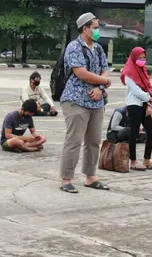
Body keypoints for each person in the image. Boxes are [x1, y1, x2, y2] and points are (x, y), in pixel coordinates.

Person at [59, 12, 111, 193]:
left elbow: (105, 70)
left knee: (94, 141)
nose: (98, 31)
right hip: (75, 100)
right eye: (95, 28)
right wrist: (104, 82)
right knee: (74, 140)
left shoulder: (97, 48)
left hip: (96, 101)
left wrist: (101, 88)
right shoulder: (74, 47)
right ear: (85, 28)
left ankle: (90, 176)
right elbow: (81, 73)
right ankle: (66, 179)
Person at [121, 47, 152, 171]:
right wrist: (149, 98)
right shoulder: (128, 72)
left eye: (144, 58)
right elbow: (136, 90)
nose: (142, 60)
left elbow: (147, 87)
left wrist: (149, 103)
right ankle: (133, 161)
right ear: (133, 57)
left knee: (151, 132)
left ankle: (147, 160)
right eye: (140, 58)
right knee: (134, 132)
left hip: (144, 103)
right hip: (134, 104)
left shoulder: (143, 71)